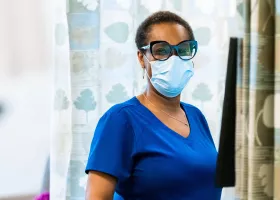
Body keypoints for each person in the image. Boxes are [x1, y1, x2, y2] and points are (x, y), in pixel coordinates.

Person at [85, 11, 222, 200]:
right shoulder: (121, 119)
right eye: (161, 51)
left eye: (182, 50)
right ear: (142, 58)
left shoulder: (196, 116)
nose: (173, 59)